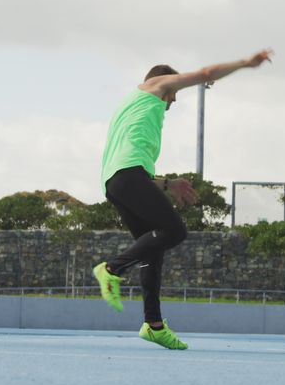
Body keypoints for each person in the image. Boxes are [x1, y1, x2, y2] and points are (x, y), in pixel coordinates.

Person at [93, 49, 274, 350]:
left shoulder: (130, 108)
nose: (171, 104)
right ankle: (111, 269)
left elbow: (131, 165)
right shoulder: (154, 87)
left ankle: (154, 325)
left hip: (116, 181)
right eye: (173, 97)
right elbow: (205, 74)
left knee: (152, 251)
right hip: (128, 175)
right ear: (164, 83)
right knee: (174, 231)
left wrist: (167, 184)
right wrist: (245, 63)